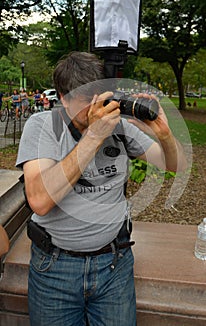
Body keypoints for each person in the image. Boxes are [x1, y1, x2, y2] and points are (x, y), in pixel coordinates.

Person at [16, 52, 187, 326]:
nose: (101, 109)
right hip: (55, 268)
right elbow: (39, 200)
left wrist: (164, 134)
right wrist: (93, 136)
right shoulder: (43, 126)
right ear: (63, 98)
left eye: (104, 98)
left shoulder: (118, 126)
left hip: (114, 264)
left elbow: (174, 165)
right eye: (88, 101)